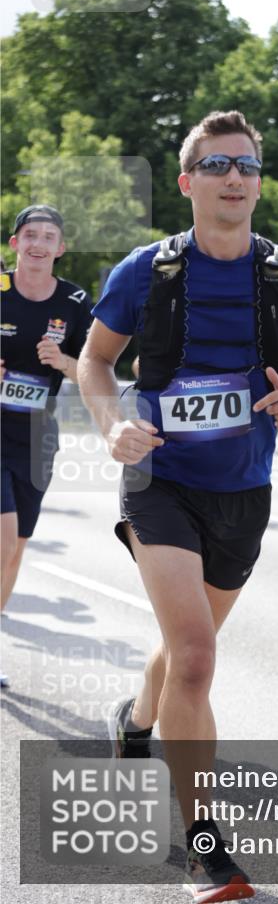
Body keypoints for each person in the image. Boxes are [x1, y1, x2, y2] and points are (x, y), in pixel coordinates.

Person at [78, 110, 278, 902]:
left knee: (180, 649)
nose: (237, 177)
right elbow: (96, 362)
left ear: (259, 183)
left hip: (242, 491)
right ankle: (204, 847)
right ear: (190, 180)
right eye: (219, 164)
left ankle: (134, 715)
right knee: (197, 656)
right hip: (160, 482)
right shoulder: (146, 270)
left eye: (249, 166)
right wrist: (113, 424)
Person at [1, 205, 92, 687]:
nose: (38, 243)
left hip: (36, 432)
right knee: (3, 532)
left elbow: (93, 368)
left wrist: (62, 361)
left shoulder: (76, 302)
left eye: (48, 236)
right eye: (29, 234)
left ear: (61, 248)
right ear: (14, 244)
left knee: (15, 546)